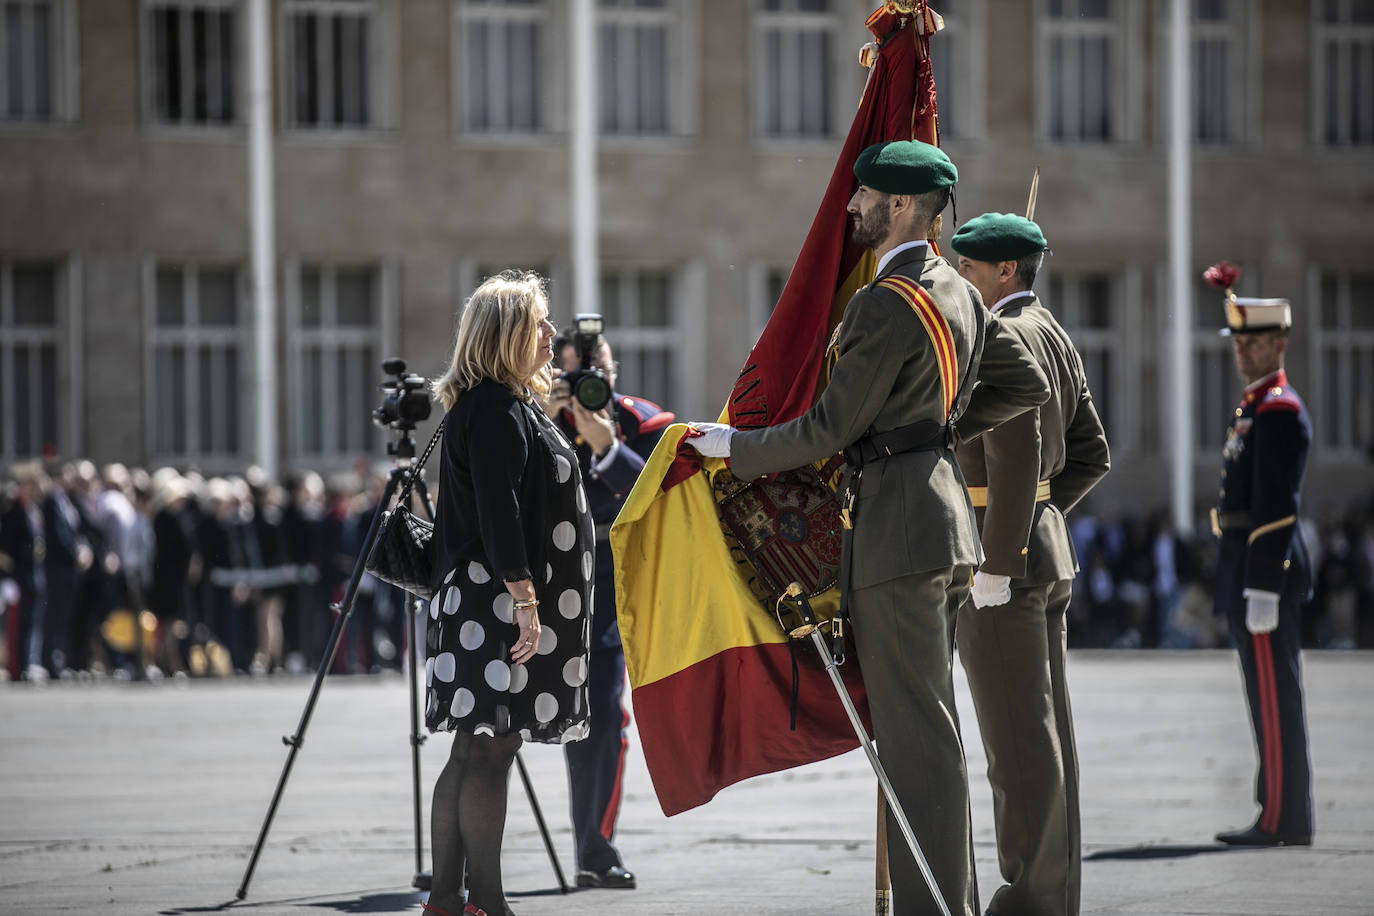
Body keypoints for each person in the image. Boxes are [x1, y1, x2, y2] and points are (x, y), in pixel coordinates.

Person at [687, 140, 1050, 916]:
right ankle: (947, 898)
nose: (848, 208)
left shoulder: (885, 303)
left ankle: (933, 909)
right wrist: (934, 424)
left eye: (863, 196)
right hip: (939, 519)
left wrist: (734, 448)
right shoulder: (956, 289)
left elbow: (829, 425)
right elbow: (1024, 379)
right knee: (930, 729)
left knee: (917, 741)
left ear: (899, 207)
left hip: (899, 531)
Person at [948, 212, 1110, 916]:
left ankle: (1030, 900)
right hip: (1038, 550)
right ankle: (1055, 894)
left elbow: (1017, 450)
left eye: (970, 267)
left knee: (1016, 744)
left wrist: (999, 554)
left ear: (1005, 271)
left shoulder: (1002, 334)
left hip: (1002, 562)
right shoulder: (1053, 331)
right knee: (1047, 741)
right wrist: (1042, 516)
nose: (960, 276)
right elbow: (1091, 452)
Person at [423, 269, 593, 916]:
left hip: (481, 599)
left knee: (475, 747)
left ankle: (447, 902)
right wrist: (526, 602)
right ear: (510, 333)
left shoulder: (501, 403)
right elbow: (499, 512)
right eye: (541, 322)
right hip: (492, 602)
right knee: (490, 749)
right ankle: (484, 904)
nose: (553, 333)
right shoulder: (494, 408)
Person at [543, 330, 673, 890]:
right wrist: (547, 424)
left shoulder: (644, 425)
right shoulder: (540, 425)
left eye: (599, 369)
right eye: (575, 375)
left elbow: (664, 497)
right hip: (546, 579)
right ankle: (471, 851)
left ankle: (594, 848)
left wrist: (607, 449)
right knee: (497, 721)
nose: (590, 384)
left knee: (599, 717)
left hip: (610, 580)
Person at [1207, 272, 1314, 847]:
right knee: (1265, 697)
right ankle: (1275, 808)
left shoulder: (1278, 410)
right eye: (1238, 341)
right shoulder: (1255, 406)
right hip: (1250, 572)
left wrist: (1264, 586)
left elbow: (1276, 506)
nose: (1242, 350)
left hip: (1265, 575)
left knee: (1275, 699)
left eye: (1254, 342)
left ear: (1280, 345)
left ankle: (1282, 819)